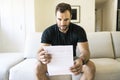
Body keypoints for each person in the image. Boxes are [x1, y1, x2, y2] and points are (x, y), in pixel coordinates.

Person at [36, 2, 96, 80]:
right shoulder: (48, 32)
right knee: (37, 68)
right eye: (59, 19)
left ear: (71, 17)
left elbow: (85, 51)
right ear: (55, 17)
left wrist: (81, 60)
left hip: (72, 60)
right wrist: (41, 57)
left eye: (66, 19)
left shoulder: (79, 30)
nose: (62, 23)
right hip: (53, 60)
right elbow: (39, 53)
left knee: (91, 67)